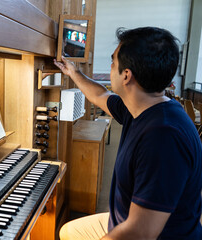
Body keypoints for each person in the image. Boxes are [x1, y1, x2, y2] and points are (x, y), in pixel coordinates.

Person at [54, 27, 202, 239]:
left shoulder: (163, 137)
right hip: (125, 220)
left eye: (113, 62)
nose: (110, 67)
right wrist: (73, 73)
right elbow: (100, 95)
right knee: (69, 231)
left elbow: (140, 232)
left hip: (154, 233)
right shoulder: (142, 105)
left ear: (126, 76)